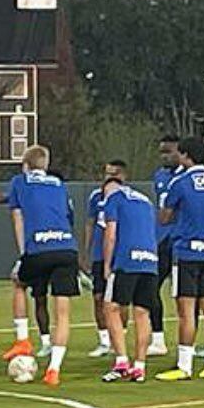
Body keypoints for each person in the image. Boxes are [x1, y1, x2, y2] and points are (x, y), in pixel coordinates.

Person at [6, 146, 78, 387]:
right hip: (66, 248)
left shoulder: (19, 181)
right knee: (63, 313)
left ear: (25, 164)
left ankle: (23, 339)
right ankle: (54, 370)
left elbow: (18, 218)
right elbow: (68, 216)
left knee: (18, 282)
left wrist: (22, 255)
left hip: (39, 247)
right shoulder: (58, 184)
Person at [157, 137, 204, 381]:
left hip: (186, 252)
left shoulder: (180, 182)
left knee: (186, 311)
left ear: (185, 156)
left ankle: (184, 365)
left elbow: (164, 218)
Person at [99, 174, 158, 382]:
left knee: (111, 307)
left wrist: (107, 264)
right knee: (142, 312)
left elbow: (111, 234)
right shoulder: (145, 201)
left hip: (127, 260)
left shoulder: (113, 198)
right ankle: (140, 366)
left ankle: (122, 361)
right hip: (149, 260)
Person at [82, 161, 126, 357]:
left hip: (120, 255)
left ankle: (120, 337)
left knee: (120, 300)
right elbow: (90, 224)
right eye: (106, 173)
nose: (108, 177)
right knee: (98, 297)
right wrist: (86, 252)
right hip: (100, 255)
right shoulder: (96, 196)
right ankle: (104, 340)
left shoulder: (127, 197)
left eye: (113, 173)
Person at [149, 135, 182, 356]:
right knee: (151, 288)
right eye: (161, 152)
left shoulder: (186, 177)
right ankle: (158, 339)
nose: (164, 156)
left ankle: (187, 344)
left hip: (179, 240)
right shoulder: (160, 176)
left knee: (183, 295)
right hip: (160, 240)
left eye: (168, 152)